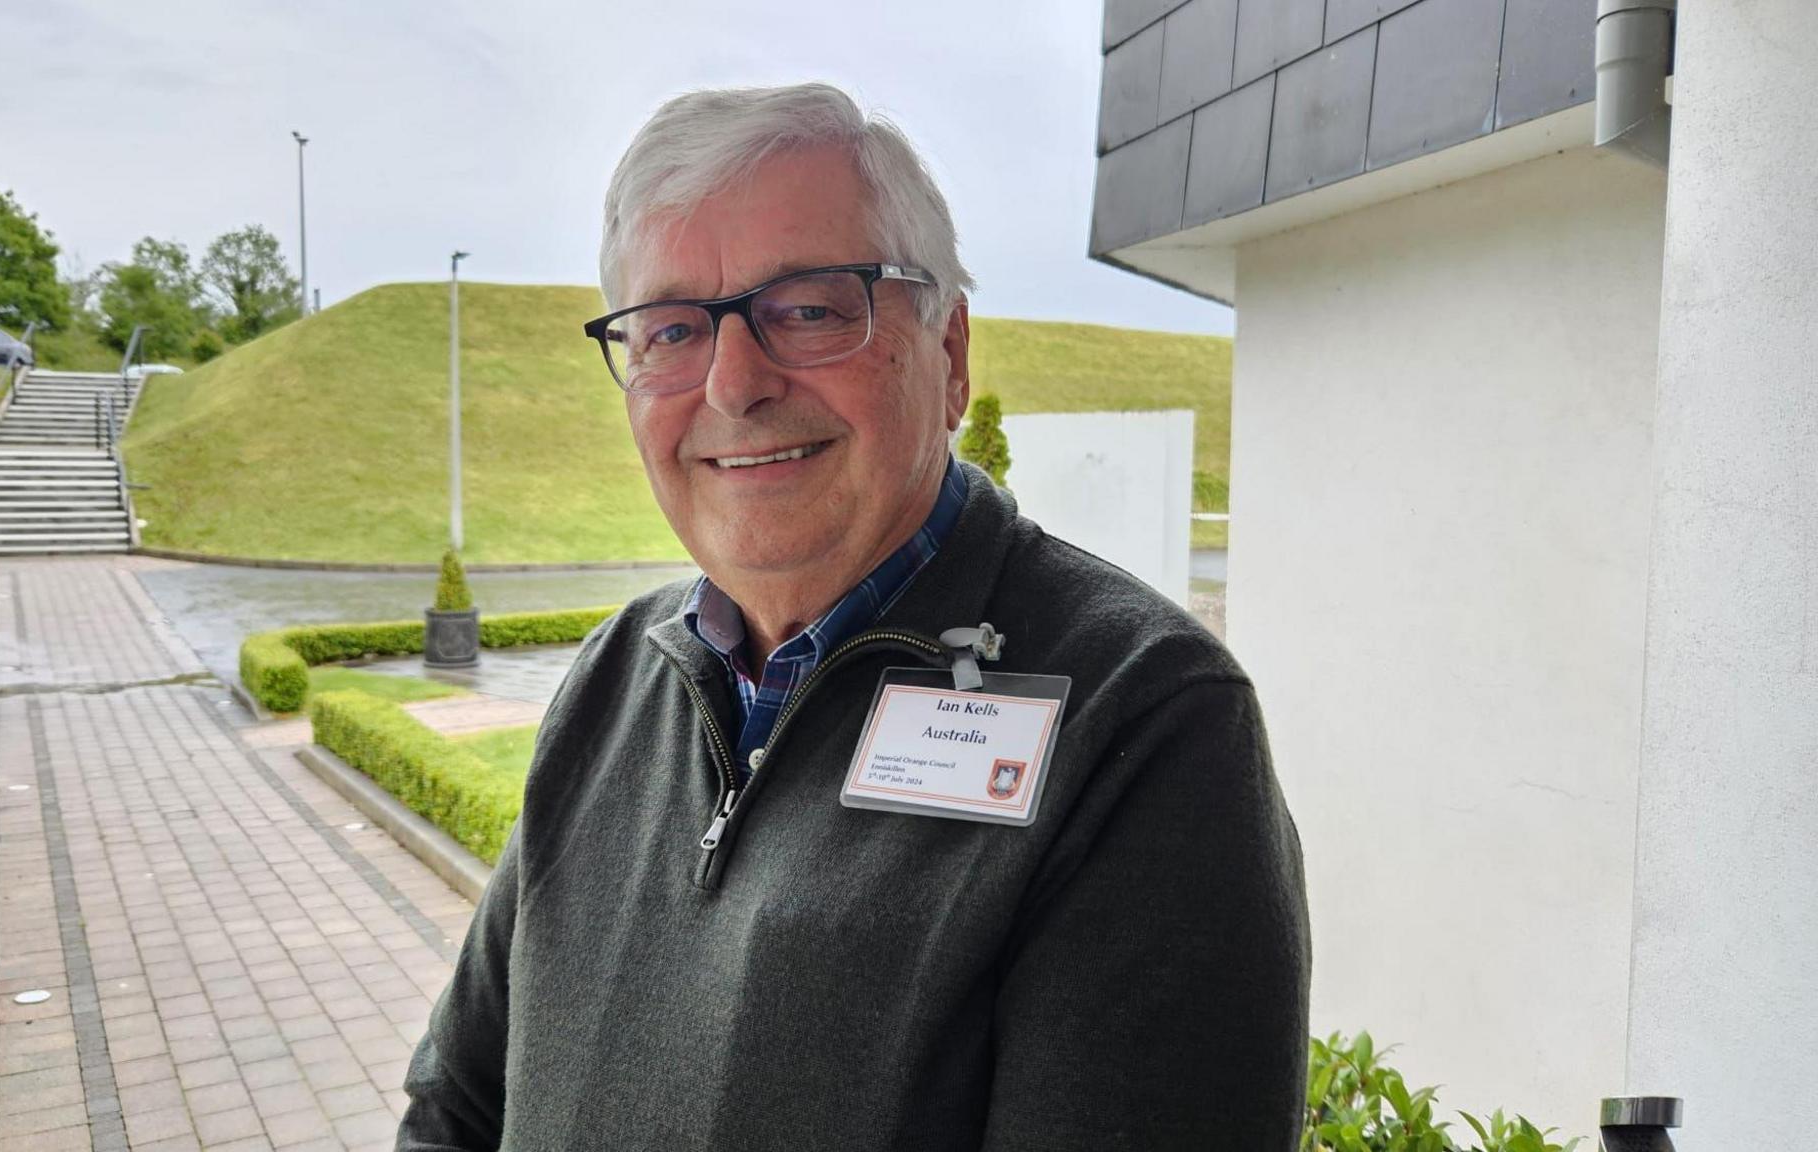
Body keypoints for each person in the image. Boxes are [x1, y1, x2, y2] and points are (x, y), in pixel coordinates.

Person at [397, 82, 1309, 1151]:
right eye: (672, 329)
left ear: (949, 353)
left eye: (811, 308)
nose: (733, 384)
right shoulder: (615, 678)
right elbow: (455, 1111)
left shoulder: (1142, 719)